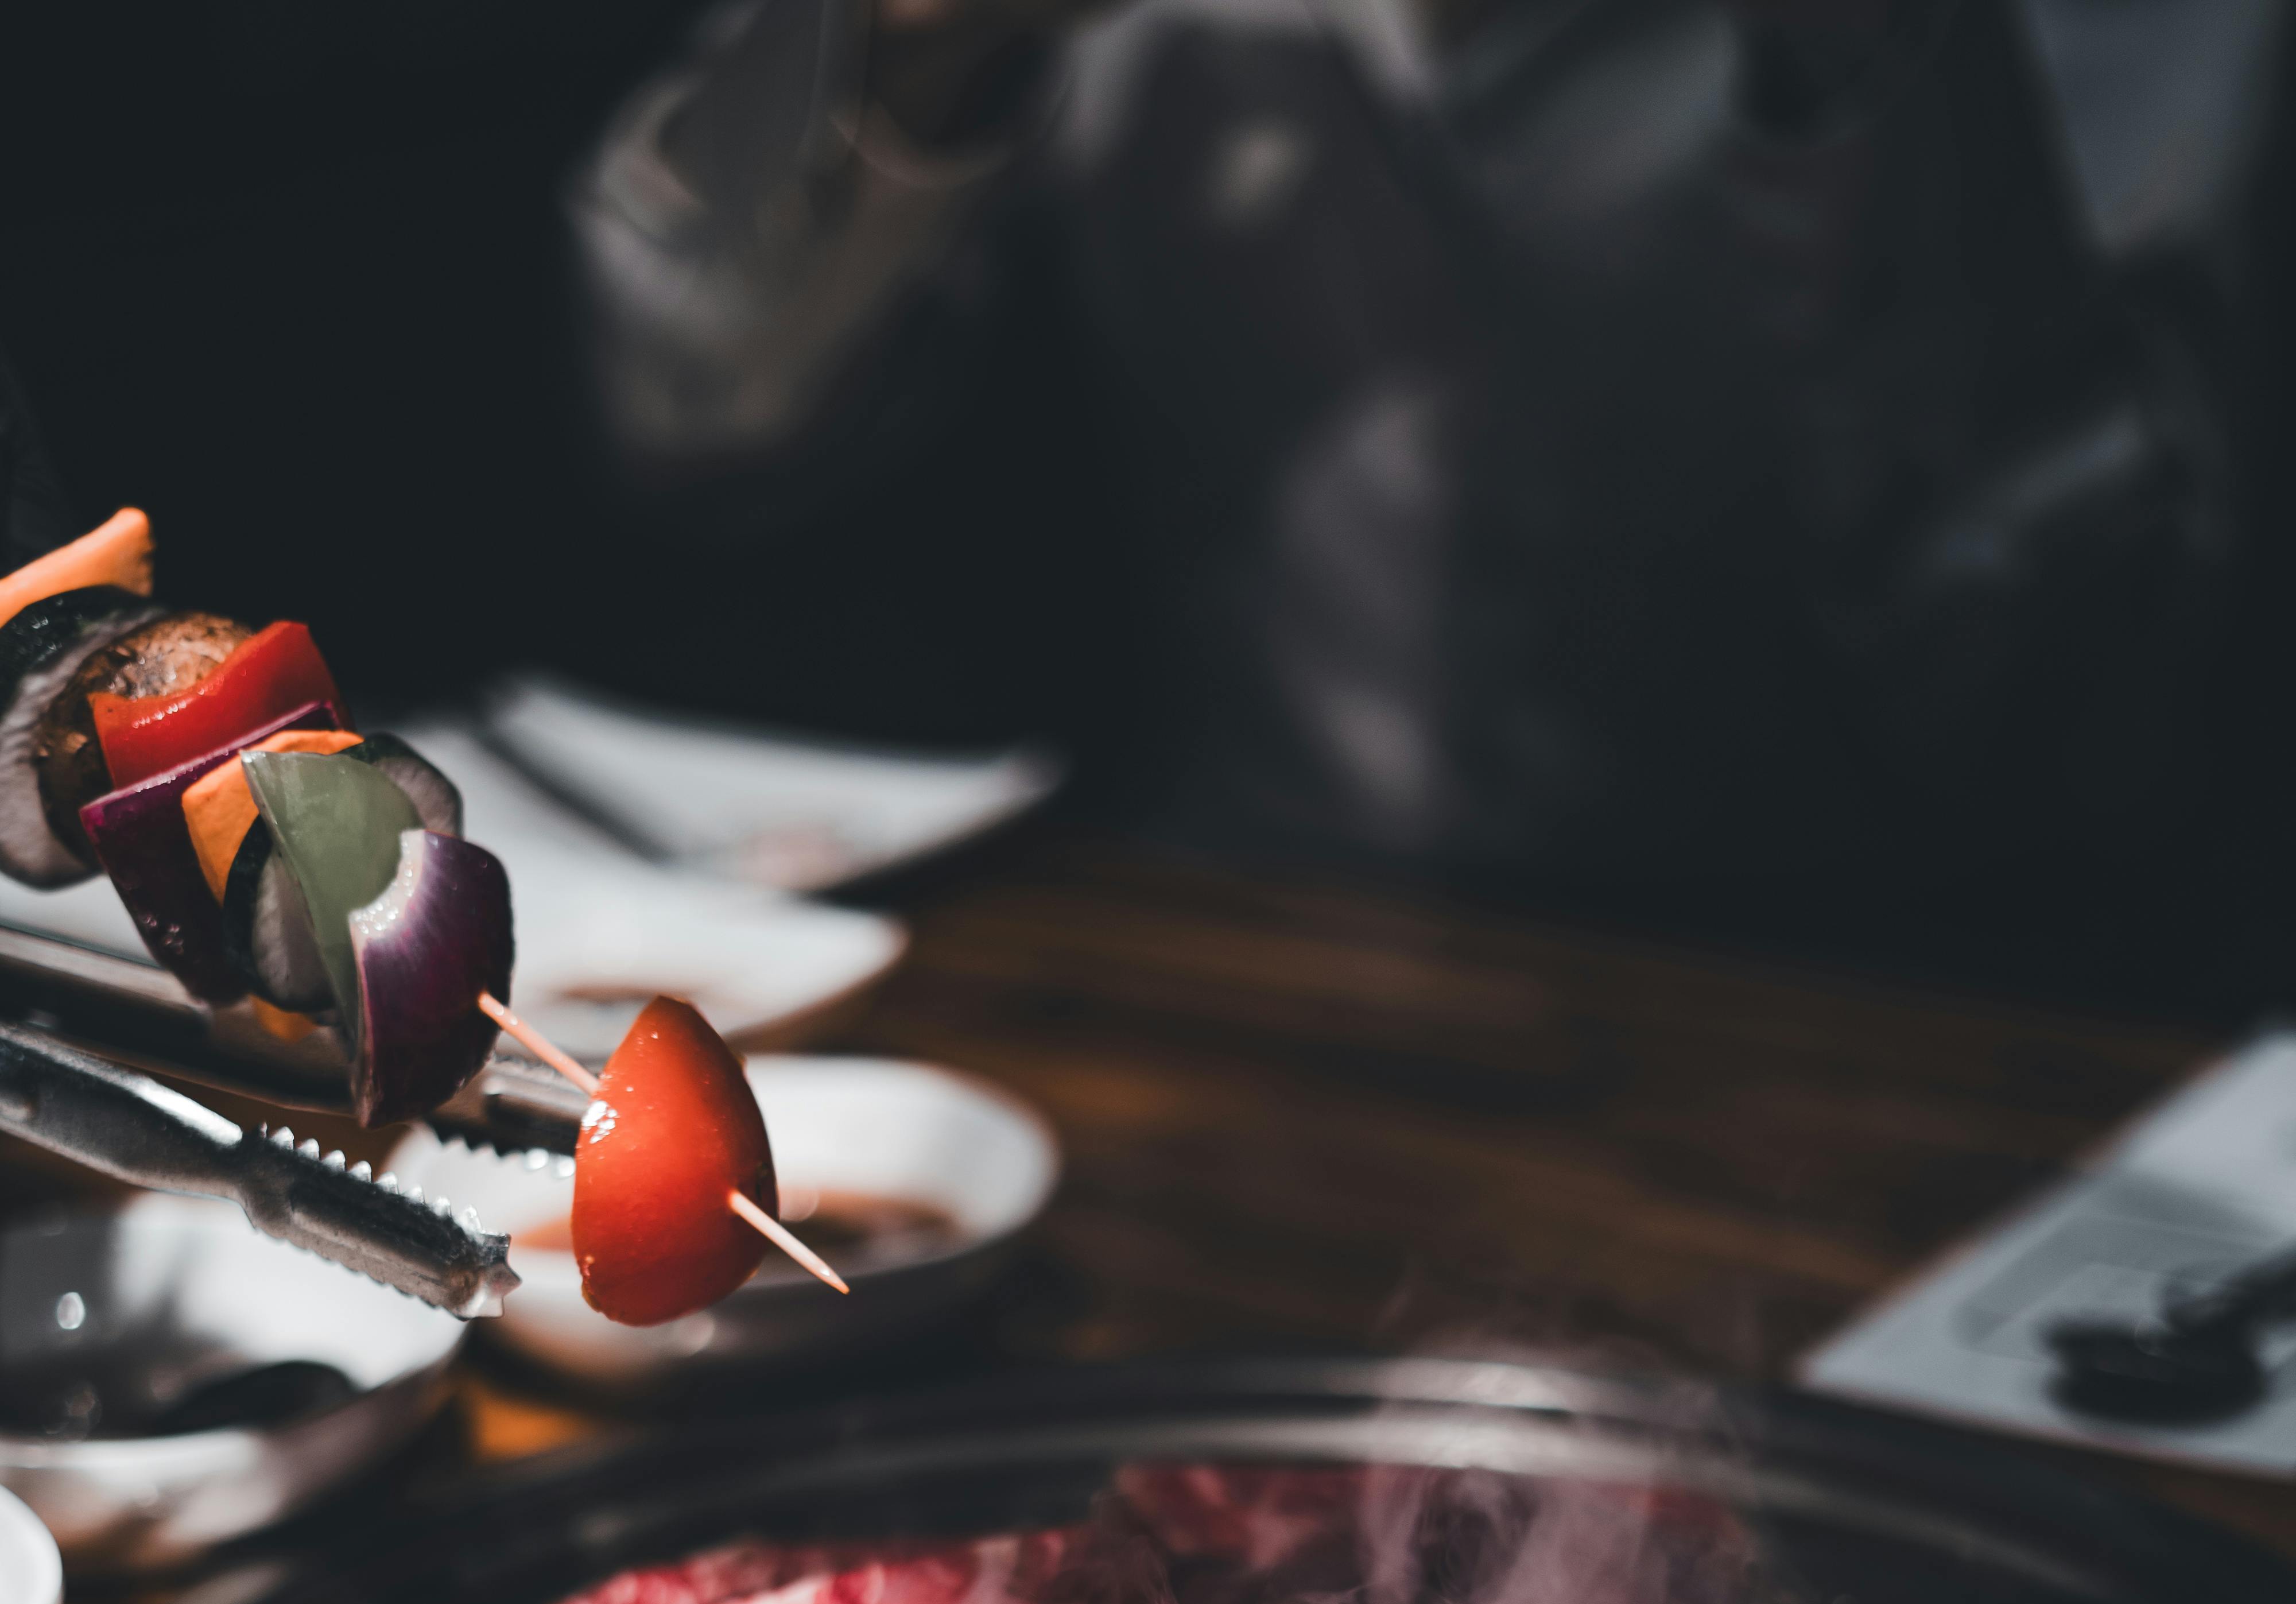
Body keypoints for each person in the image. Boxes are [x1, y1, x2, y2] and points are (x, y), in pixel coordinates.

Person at [2, 2, 2287, 997]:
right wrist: (912, 57)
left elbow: (2084, 717)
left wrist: (1868, 71)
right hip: (1246, 944)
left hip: (1887, 996)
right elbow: (690, 418)